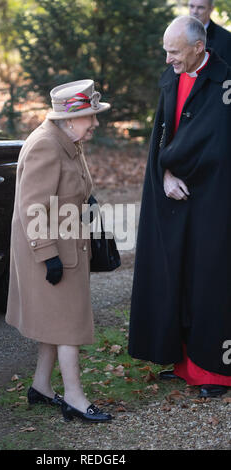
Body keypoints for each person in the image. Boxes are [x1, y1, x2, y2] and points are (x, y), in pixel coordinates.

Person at [128, 16, 231, 398]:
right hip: (174, 196)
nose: (167, 58)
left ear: (198, 48)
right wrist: (165, 173)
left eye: (174, 51)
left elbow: (220, 145)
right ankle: (181, 360)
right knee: (176, 273)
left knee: (209, 279)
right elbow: (162, 134)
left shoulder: (225, 83)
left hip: (215, 200)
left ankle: (215, 372)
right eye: (166, 50)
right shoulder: (172, 76)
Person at [5, 79, 113, 423]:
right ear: (69, 120)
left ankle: (41, 387)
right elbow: (31, 206)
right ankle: (75, 398)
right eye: (89, 117)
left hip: (66, 244)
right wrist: (47, 254)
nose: (95, 123)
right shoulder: (46, 146)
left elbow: (72, 189)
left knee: (57, 321)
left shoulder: (68, 140)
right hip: (50, 251)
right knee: (68, 324)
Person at [188, 0, 231, 65]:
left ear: (211, 9)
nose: (195, 11)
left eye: (200, 7)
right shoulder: (180, 33)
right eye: (192, 6)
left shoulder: (226, 39)